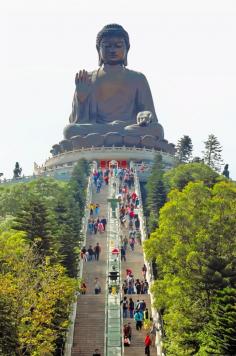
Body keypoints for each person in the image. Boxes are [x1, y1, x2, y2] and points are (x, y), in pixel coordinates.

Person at [63, 24, 164, 142]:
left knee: (157, 129)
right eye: (107, 46)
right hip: (99, 129)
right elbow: (77, 121)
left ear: (127, 48)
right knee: (70, 130)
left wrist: (146, 115)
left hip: (128, 127)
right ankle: (117, 137)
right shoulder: (88, 78)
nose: (113, 50)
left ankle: (113, 137)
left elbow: (149, 113)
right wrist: (81, 100)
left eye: (118, 46)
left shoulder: (138, 78)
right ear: (98, 49)